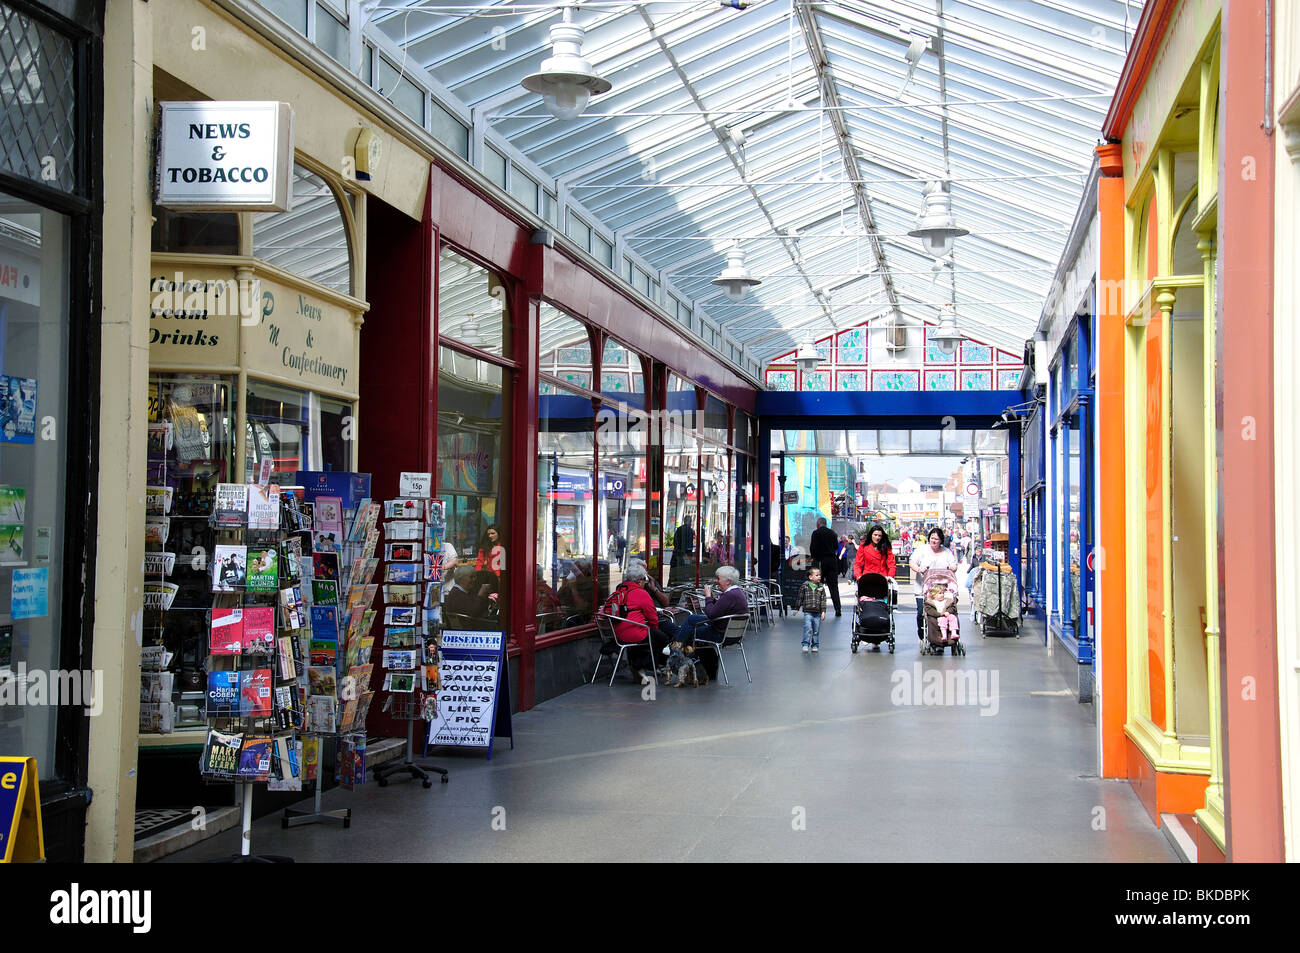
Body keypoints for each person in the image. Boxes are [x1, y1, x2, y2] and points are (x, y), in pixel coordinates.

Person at [675, 565, 747, 680]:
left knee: (691, 631)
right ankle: (703, 668)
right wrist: (713, 600)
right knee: (692, 620)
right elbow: (720, 609)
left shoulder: (729, 595)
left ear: (728, 581)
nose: (716, 581)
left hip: (720, 633)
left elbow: (711, 614)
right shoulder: (737, 593)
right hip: (732, 634)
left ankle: (677, 651)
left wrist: (708, 597)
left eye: (718, 579)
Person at [605, 563, 675, 675]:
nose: (645, 583)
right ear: (639, 581)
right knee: (662, 638)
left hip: (617, 633)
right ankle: (643, 665)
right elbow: (653, 618)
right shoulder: (641, 593)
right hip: (634, 632)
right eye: (644, 580)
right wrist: (654, 630)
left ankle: (639, 665)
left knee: (651, 637)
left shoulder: (619, 590)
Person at [910, 527, 958, 641]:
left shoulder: (946, 552)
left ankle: (943, 636)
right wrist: (918, 569)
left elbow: (954, 565)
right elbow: (911, 561)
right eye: (932, 538)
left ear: (941, 540)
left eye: (937, 539)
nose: (934, 541)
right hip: (924, 587)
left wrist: (952, 568)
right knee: (922, 613)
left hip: (942, 590)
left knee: (945, 612)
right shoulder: (922, 550)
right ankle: (922, 634)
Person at [809, 516, 842, 616]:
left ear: (818, 524)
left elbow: (813, 548)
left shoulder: (816, 533)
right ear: (825, 524)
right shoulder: (832, 533)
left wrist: (814, 558)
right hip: (832, 561)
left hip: (820, 561)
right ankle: (838, 609)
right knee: (833, 586)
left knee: (817, 585)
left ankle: (817, 608)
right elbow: (836, 547)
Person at [798, 566, 827, 653]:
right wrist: (796, 608)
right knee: (807, 628)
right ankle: (805, 644)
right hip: (808, 612)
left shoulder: (821, 587)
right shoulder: (805, 586)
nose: (819, 577)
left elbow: (823, 600)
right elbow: (800, 597)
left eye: (820, 575)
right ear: (810, 577)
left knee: (816, 630)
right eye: (817, 575)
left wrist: (823, 612)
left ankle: (815, 645)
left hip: (817, 613)